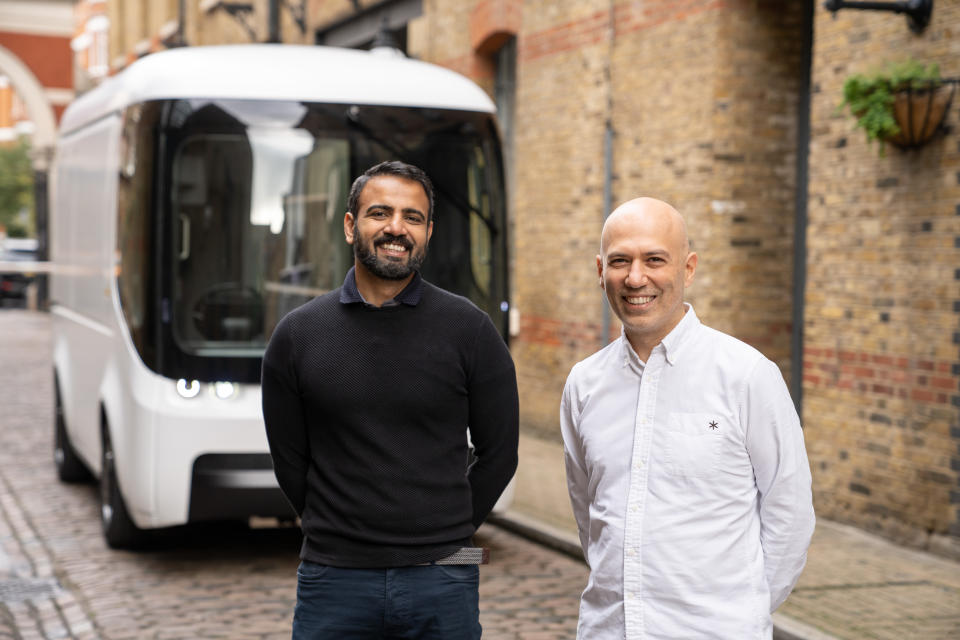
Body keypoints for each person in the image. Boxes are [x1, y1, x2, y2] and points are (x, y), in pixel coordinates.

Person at [262, 160, 519, 639]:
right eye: (380, 213)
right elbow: (289, 461)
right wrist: (336, 525)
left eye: (413, 217)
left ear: (428, 232)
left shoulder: (470, 330)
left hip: (445, 575)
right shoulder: (298, 336)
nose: (396, 228)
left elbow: (500, 454)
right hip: (333, 574)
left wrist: (448, 534)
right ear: (349, 225)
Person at [560, 197, 815, 639]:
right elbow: (590, 518)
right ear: (601, 271)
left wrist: (739, 610)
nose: (635, 277)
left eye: (654, 259)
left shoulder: (747, 376)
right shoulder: (584, 384)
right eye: (620, 261)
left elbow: (789, 514)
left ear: (688, 268)